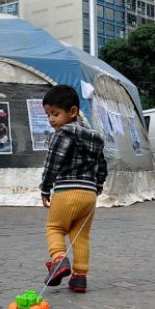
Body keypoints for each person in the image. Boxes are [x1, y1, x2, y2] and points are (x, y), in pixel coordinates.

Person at [39, 85, 107, 293]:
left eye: (55, 114)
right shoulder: (94, 139)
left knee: (55, 228)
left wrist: (45, 188)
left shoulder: (62, 134)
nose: (51, 119)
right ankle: (79, 277)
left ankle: (59, 260)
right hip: (89, 195)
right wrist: (97, 186)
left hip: (66, 191)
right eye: (48, 114)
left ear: (73, 112)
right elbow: (102, 166)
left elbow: (53, 163)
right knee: (80, 236)